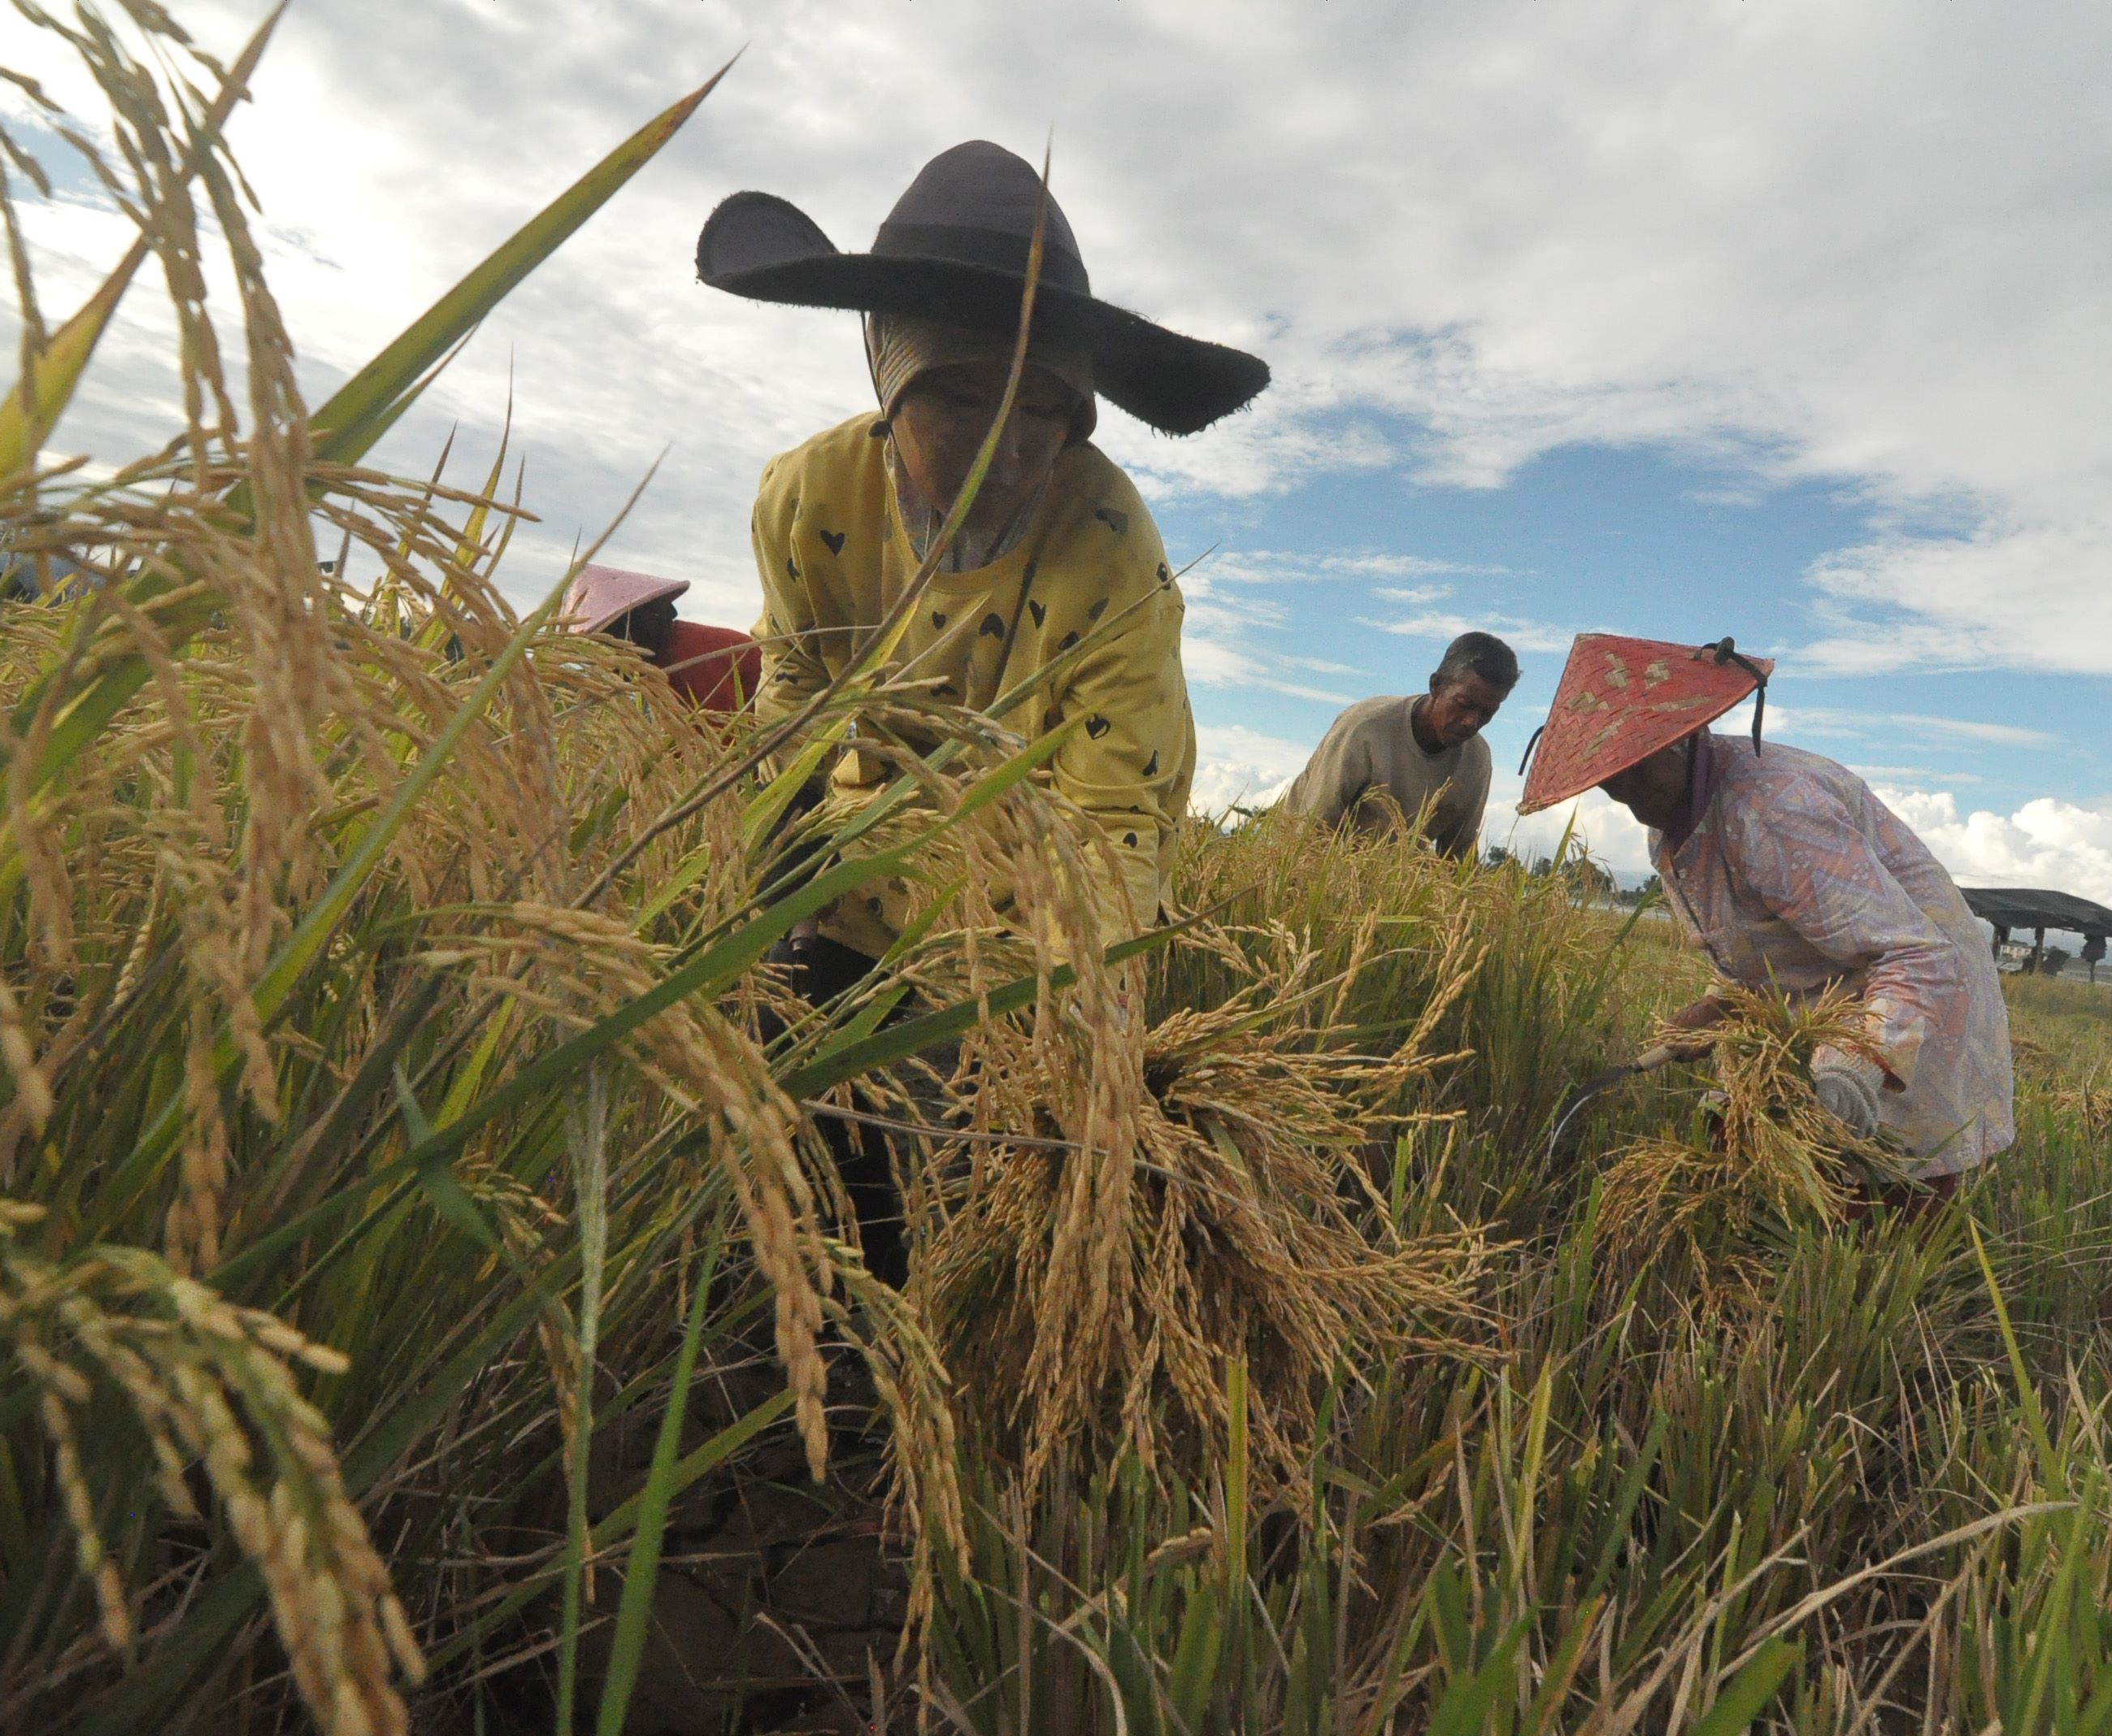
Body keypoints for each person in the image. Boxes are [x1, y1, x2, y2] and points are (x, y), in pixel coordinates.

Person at [695, 140, 1269, 1281]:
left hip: (1039, 880)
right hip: (871, 840)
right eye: (966, 399)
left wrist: (1076, 1025)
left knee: (973, 1150)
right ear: (888, 372)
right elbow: (799, 688)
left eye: (1046, 412)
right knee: (801, 1099)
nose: (1011, 451)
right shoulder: (808, 497)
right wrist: (783, 851)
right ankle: (822, 1329)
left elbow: (1114, 816)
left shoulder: (1107, 547)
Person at [1519, 633, 2014, 1210]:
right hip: (1816, 1003)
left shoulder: (1774, 809)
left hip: (1906, 1002)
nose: (1628, 790)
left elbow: (1915, 954)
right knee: (1757, 1179)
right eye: (1610, 775)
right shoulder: (1673, 824)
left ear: (1684, 738)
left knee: (1874, 1200)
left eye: (1639, 765)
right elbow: (1758, 945)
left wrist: (1859, 1063)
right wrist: (1715, 1005)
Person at [1281, 632, 1519, 860]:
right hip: (1298, 860)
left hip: (1384, 883)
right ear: (1436, 686)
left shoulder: (1477, 759)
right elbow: (1311, 828)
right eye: (1464, 704)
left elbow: (1458, 854)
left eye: (1488, 713)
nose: (1472, 722)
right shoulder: (1365, 728)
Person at [558, 565, 758, 713]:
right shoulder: (661, 661)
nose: (608, 663)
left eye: (607, 643)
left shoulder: (689, 657)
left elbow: (720, 739)